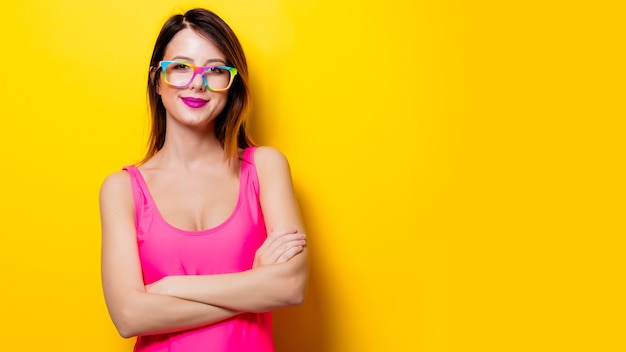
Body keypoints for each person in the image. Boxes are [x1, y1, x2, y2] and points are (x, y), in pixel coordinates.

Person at [99, 8, 308, 352]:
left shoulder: (266, 168)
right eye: (180, 67)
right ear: (156, 80)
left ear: (231, 84)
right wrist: (254, 284)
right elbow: (128, 315)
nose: (197, 82)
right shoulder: (122, 190)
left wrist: (169, 287)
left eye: (215, 70)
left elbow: (290, 287)